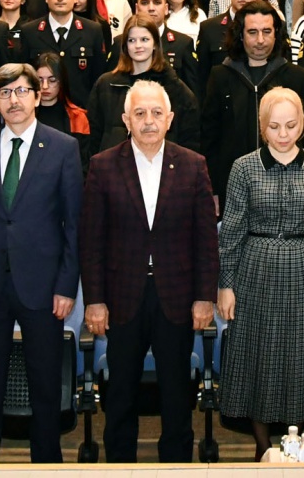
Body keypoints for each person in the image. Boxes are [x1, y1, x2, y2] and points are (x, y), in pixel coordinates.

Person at [79, 78, 218, 462]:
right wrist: (94, 302)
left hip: (177, 298)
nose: (149, 121)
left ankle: (177, 467)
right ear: (126, 119)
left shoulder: (193, 165)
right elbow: (91, 243)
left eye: (157, 113)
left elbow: (207, 241)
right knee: (120, 392)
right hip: (122, 298)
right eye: (139, 113)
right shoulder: (103, 166)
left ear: (170, 118)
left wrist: (205, 297)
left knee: (176, 394)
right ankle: (119, 467)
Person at [0, 62, 82, 463]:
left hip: (43, 286)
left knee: (45, 382)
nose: (14, 100)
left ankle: (47, 463)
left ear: (38, 96)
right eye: (6, 93)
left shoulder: (63, 147)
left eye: (22, 91)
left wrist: (66, 285)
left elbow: (73, 225)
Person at [217, 87, 304, 458]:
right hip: (256, 265)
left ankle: (300, 443)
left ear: (302, 123)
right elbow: (232, 230)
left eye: (290, 125)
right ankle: (263, 446)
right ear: (261, 127)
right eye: (274, 126)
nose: (283, 135)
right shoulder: (243, 167)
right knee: (259, 353)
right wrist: (226, 285)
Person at [202, 2, 304, 205]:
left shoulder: (297, 77)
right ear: (241, 35)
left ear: (276, 33)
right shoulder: (220, 76)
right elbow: (210, 138)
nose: (260, 40)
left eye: (267, 31)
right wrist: (213, 188)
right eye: (252, 32)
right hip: (232, 186)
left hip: (288, 185)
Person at [87, 13, 199, 154]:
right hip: (113, 169)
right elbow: (93, 136)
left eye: (144, 39)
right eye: (132, 40)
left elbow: (190, 140)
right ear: (125, 46)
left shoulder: (174, 87)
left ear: (155, 44)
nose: (138, 46)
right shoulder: (106, 84)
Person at [18, 0, 111, 102]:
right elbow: (25, 78)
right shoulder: (29, 31)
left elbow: (98, 79)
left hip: (80, 113)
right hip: (41, 111)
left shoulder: (93, 30)